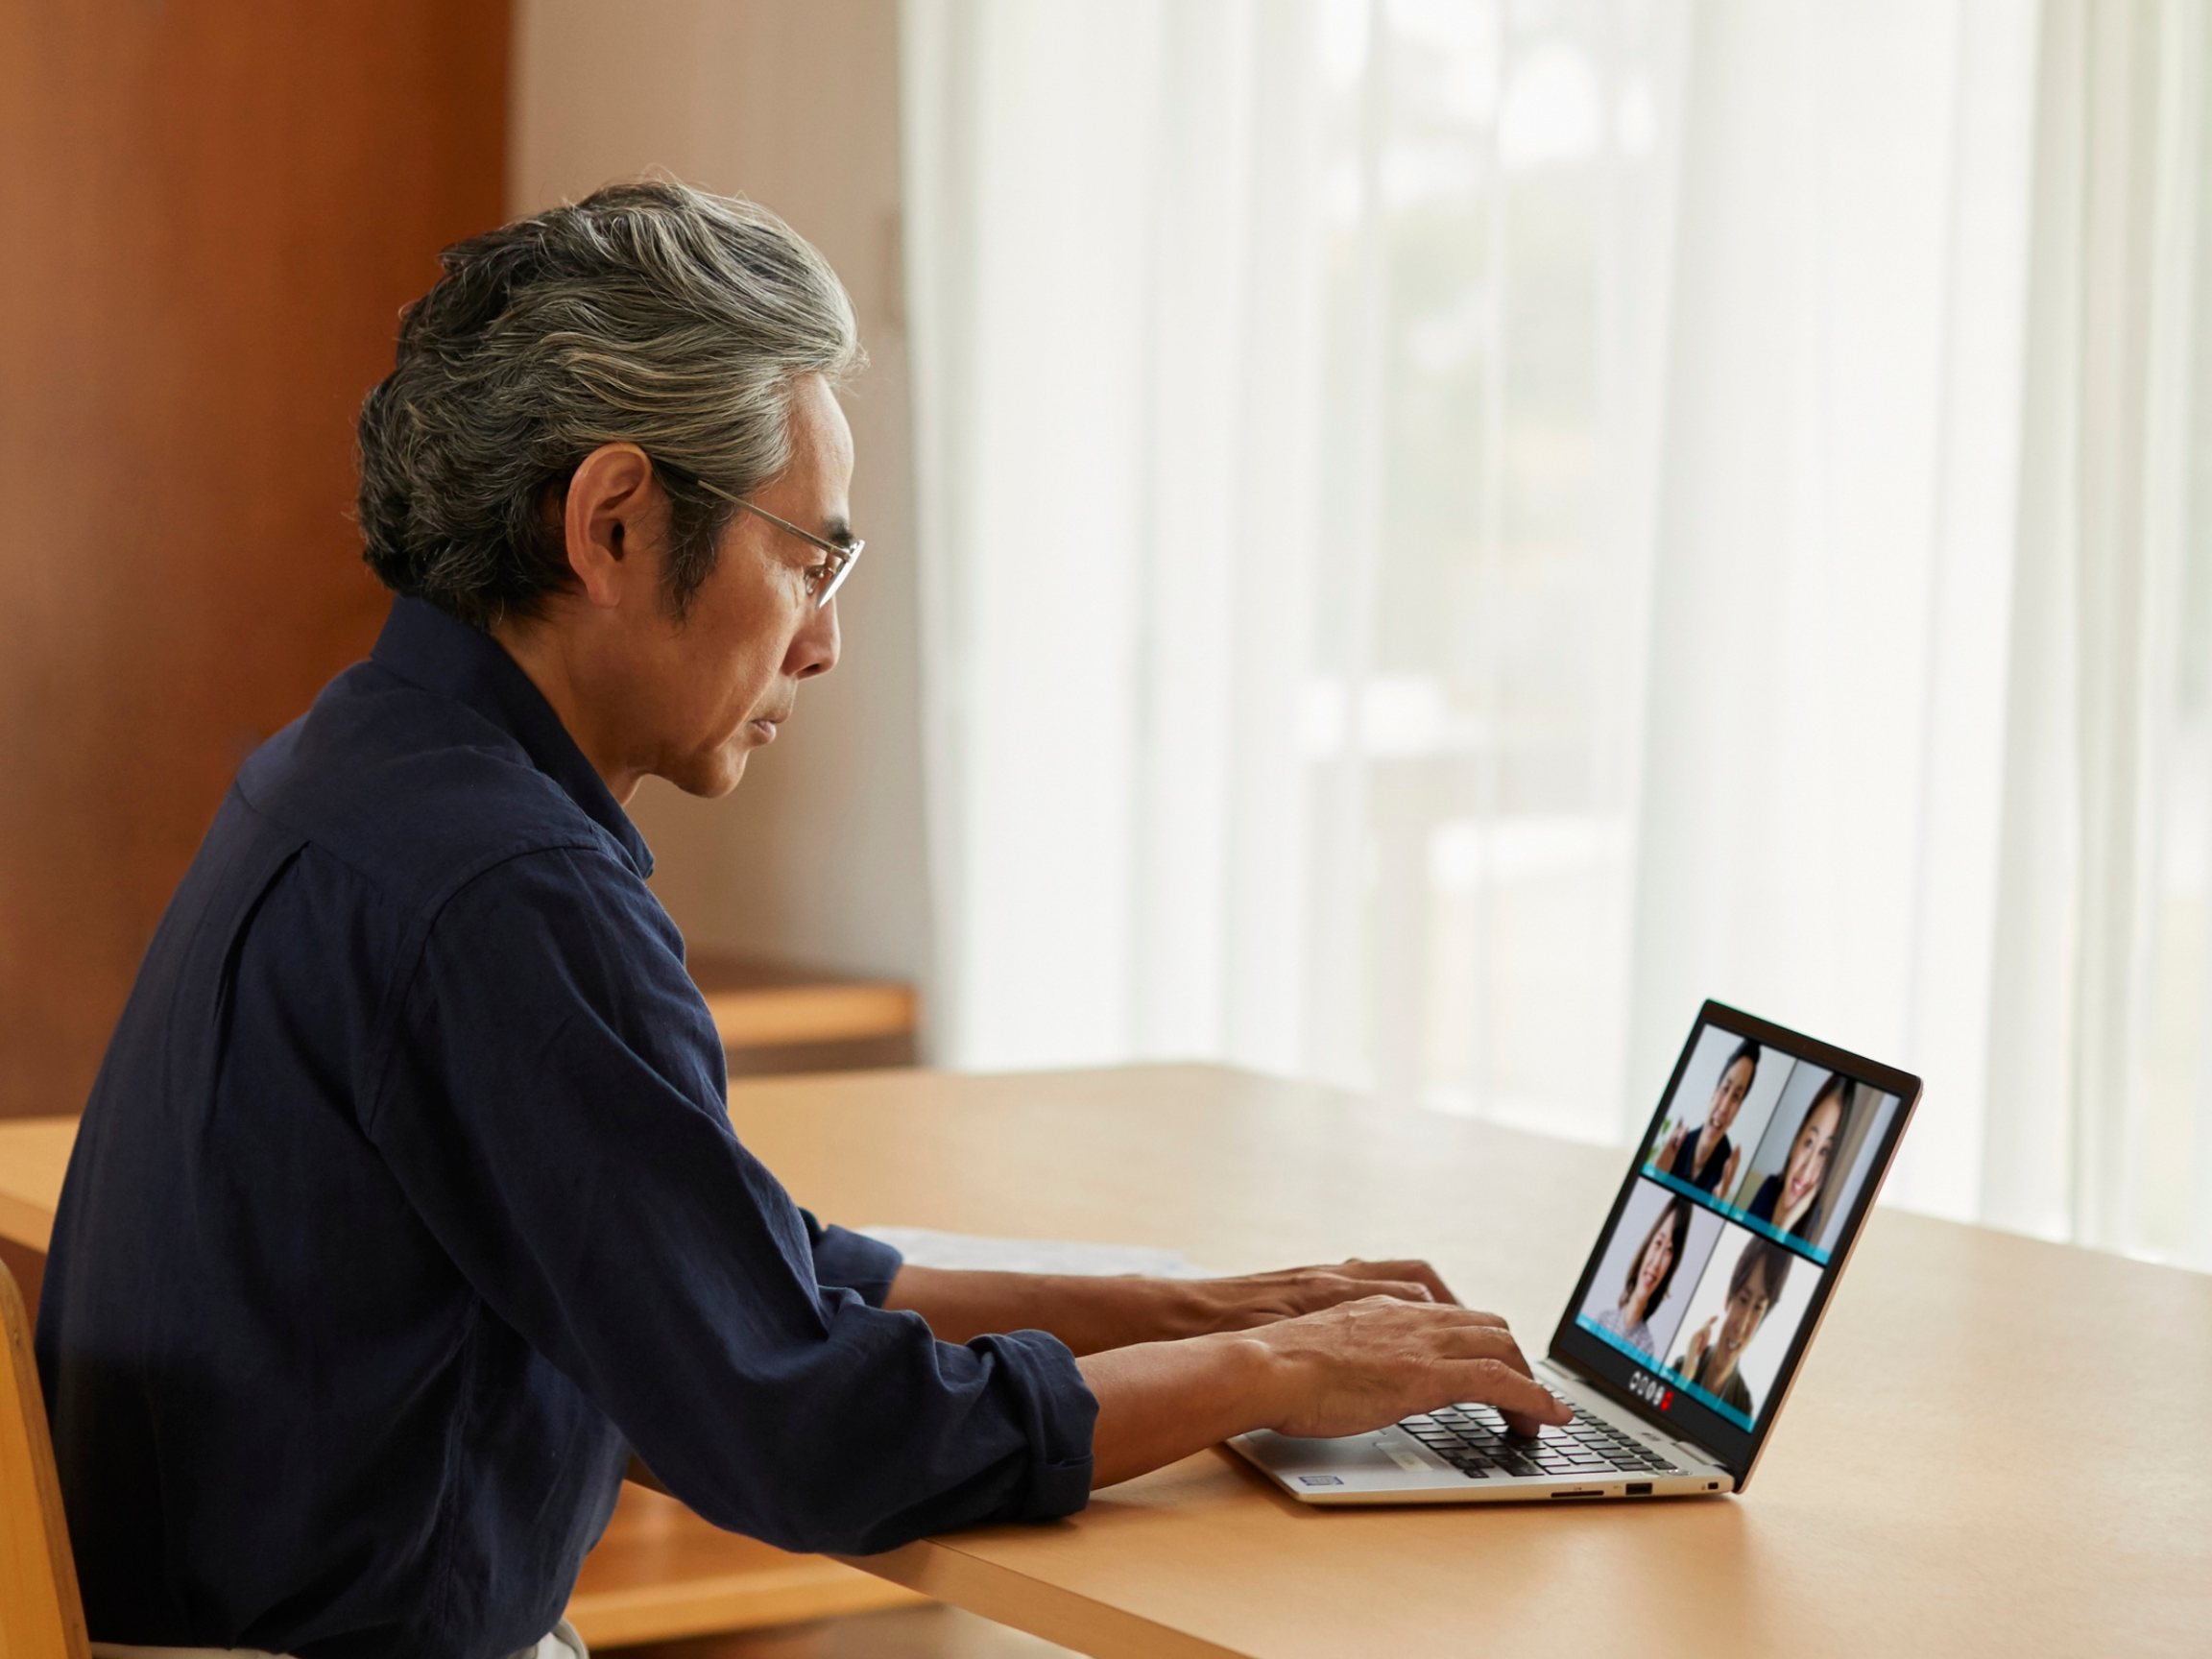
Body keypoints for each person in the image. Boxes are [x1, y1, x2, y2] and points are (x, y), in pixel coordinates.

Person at [34, 182, 1567, 1659]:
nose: (824, 644)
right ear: (617, 523)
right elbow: (806, 1425)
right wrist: (1268, 1371)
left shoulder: (362, 766)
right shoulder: (504, 888)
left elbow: (737, 1270)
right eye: (810, 555)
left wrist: (1202, 1307)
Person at [1669, 1237, 1793, 1421]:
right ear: (1729, 1298)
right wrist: (1684, 1379)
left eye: (1758, 1308)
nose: (1742, 1325)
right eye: (1743, 1300)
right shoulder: (1681, 1368)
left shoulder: (1743, 1409)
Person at [1744, 1073, 1852, 1241]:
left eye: (1824, 1152)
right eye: (1809, 1143)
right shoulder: (1769, 1188)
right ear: (1796, 1140)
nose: (1807, 1169)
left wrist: (1784, 1228)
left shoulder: (1815, 1227)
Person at [1652, 1037, 1759, 1195]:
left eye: (1736, 1097)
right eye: (1725, 1089)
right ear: (1713, 1094)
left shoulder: (1724, 1175)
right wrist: (1656, 1179)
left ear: (1738, 1111)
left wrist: (1717, 1207)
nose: (1724, 1108)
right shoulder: (1676, 1149)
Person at [1591, 1195, 1692, 1358]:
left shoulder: (1647, 1348)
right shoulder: (1602, 1321)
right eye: (1658, 1243)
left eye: (1669, 1250)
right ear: (1648, 1246)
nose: (1657, 1262)